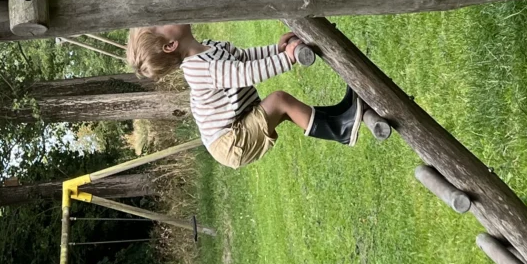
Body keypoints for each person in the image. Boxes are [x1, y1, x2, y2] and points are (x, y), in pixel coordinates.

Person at [125, 22, 364, 169]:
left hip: (234, 126)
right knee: (279, 101)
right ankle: (342, 130)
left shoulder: (207, 47)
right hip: (228, 142)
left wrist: (275, 49)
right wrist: (288, 58)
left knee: (280, 110)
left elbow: (244, 58)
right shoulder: (198, 68)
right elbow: (245, 73)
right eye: (162, 21)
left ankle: (340, 115)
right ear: (170, 45)